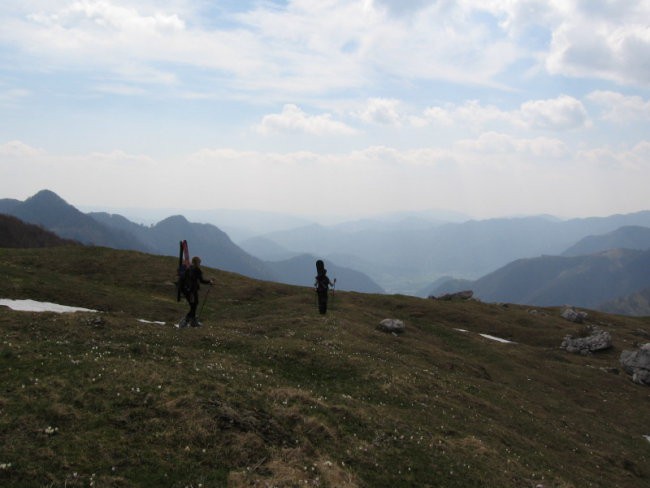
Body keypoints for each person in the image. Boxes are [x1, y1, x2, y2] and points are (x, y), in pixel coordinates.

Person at [181, 256, 213, 327]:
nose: (200, 264)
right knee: (194, 306)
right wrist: (209, 281)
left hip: (187, 290)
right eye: (199, 262)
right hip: (193, 291)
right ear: (197, 262)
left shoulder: (189, 268)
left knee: (193, 305)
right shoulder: (197, 270)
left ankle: (192, 321)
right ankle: (187, 321)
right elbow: (202, 280)